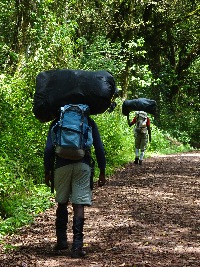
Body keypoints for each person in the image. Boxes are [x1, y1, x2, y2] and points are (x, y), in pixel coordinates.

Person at [44, 117, 106, 258]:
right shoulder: (88, 121)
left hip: (61, 165)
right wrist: (102, 171)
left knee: (62, 202)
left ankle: (62, 241)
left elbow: (48, 149)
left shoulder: (57, 121)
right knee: (79, 205)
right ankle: (77, 246)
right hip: (82, 164)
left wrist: (47, 171)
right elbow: (99, 147)